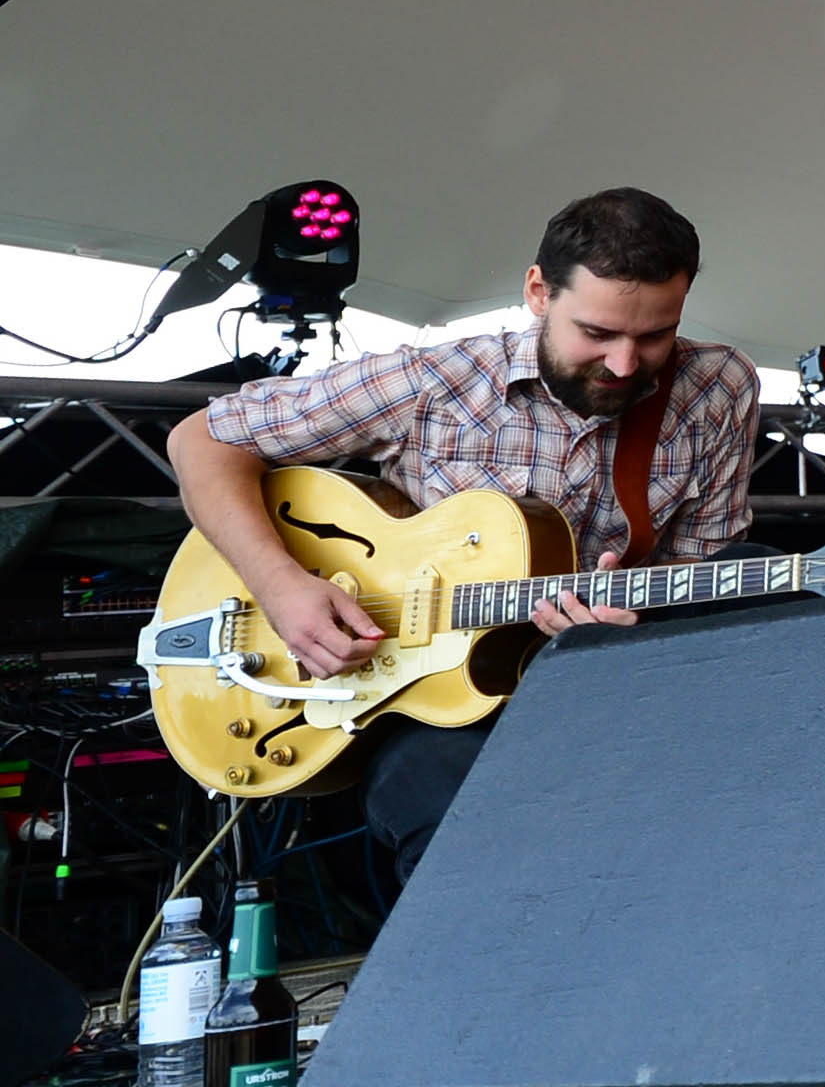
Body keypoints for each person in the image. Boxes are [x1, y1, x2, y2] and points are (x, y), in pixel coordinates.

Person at [163, 187, 760, 896]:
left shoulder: (716, 389)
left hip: (610, 688)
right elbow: (202, 441)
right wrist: (281, 586)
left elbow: (697, 577)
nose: (626, 364)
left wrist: (631, 633)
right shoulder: (434, 381)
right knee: (458, 826)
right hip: (421, 698)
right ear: (538, 291)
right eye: (597, 332)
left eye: (655, 335)